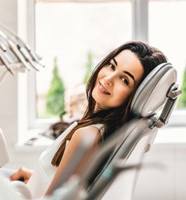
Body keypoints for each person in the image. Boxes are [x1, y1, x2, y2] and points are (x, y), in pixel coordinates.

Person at [8, 41, 167, 198]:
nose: (108, 78)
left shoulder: (87, 135)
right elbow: (71, 186)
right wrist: (35, 178)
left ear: (135, 96)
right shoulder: (105, 131)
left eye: (124, 80)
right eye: (111, 66)